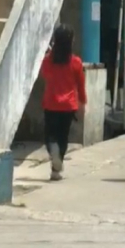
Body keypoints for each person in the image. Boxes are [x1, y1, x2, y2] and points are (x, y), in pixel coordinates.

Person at [40, 25, 87, 181]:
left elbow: (44, 74)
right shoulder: (76, 63)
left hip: (51, 103)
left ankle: (53, 151)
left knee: (50, 136)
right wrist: (82, 104)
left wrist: (50, 53)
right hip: (68, 106)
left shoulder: (48, 61)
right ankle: (55, 170)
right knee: (63, 137)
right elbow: (81, 86)